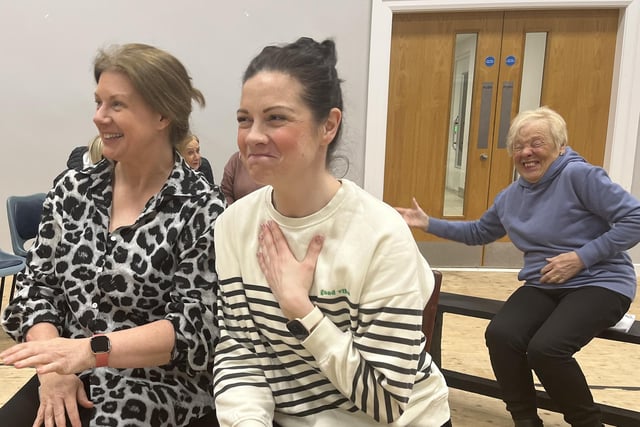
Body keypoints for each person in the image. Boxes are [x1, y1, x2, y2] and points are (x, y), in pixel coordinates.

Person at [212, 37, 451, 427]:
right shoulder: (233, 226)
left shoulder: (380, 235)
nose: (252, 136)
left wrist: (301, 310)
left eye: (275, 118)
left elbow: (386, 402)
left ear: (329, 125)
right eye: (244, 119)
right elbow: (241, 350)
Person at [0, 43, 225, 427]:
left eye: (116, 105)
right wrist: (53, 371)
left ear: (162, 115)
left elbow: (194, 328)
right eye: (98, 102)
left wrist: (90, 352)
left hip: (160, 385)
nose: (98, 117)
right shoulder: (72, 190)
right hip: (69, 371)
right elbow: (36, 289)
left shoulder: (201, 208)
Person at [396, 106, 640, 427]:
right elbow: (479, 232)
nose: (526, 152)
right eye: (518, 146)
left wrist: (582, 257)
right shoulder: (511, 196)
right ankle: (525, 421)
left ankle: (587, 423)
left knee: (547, 349)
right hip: (545, 284)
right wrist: (427, 223)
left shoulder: (580, 176)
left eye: (536, 143)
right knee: (501, 335)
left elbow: (634, 218)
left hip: (600, 281)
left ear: (560, 146)